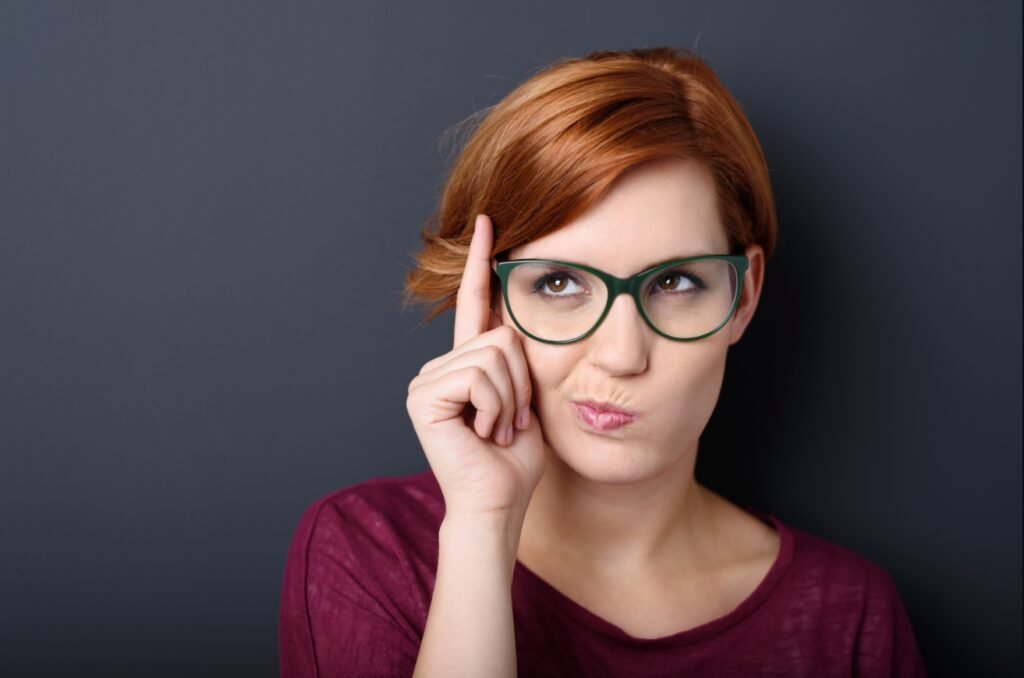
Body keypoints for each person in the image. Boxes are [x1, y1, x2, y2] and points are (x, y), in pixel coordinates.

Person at [278, 46, 928, 677]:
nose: (621, 356)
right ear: (493, 301)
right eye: (558, 283)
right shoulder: (365, 552)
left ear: (743, 296)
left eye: (674, 284)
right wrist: (483, 527)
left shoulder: (850, 617)